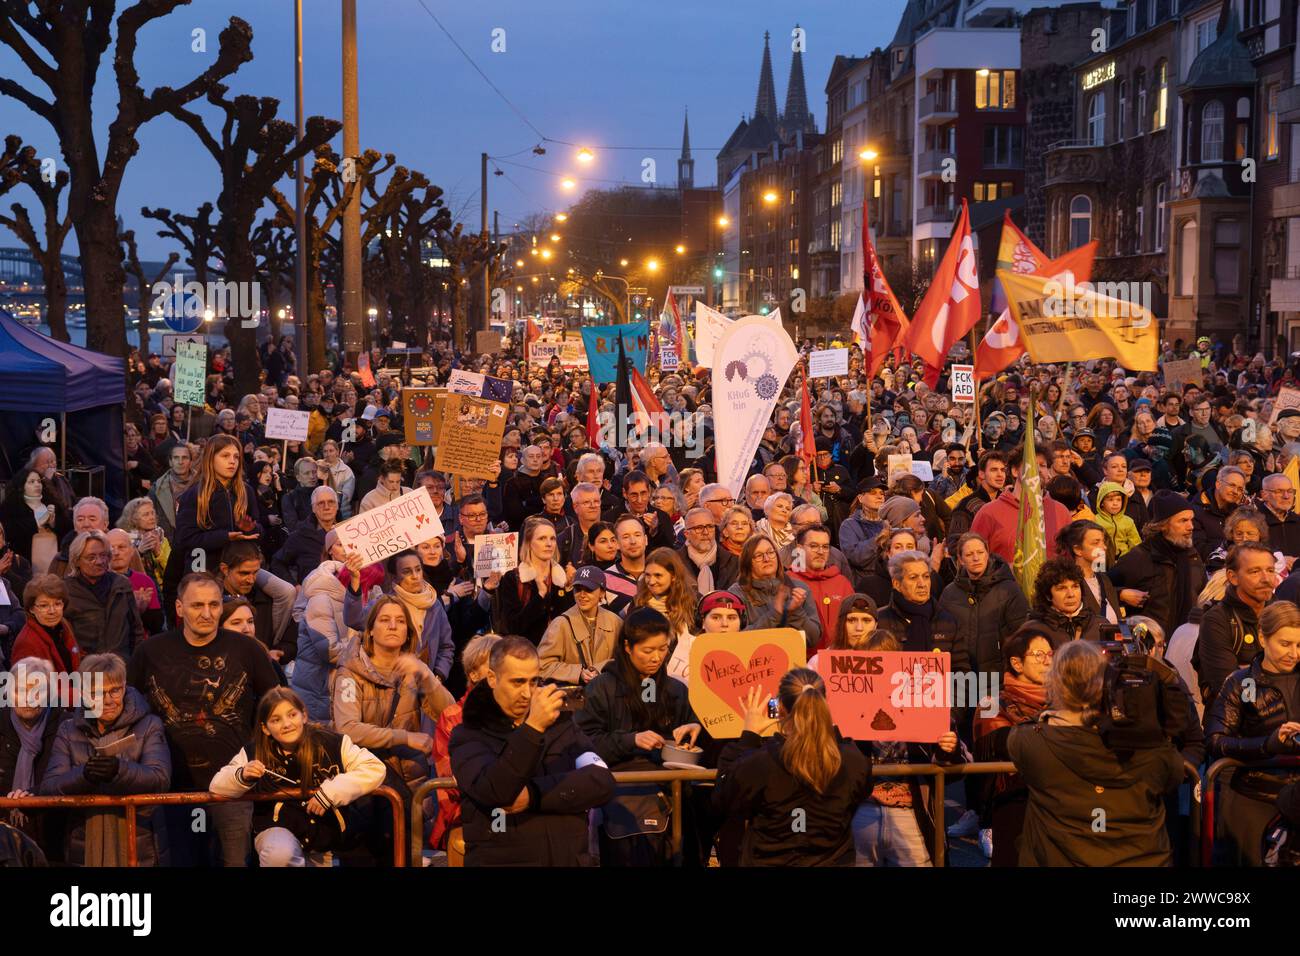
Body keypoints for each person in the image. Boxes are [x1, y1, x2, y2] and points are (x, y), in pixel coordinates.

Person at [129, 572, 280, 866]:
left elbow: (275, 705)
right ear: (179, 608)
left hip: (234, 783)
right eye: (197, 605)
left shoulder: (247, 649)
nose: (207, 613)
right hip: (173, 785)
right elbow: (130, 708)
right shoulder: (150, 651)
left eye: (213, 604)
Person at [1008, 640, 1185, 866]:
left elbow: (1020, 736)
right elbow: (1173, 773)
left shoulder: (1032, 742)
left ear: (1055, 684)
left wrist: (1053, 714)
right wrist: (1166, 682)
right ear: (1109, 683)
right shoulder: (1149, 747)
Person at [449, 636, 616, 867]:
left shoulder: (562, 725)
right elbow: (497, 792)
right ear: (492, 679)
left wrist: (535, 795)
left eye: (534, 681)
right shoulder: (468, 734)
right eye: (517, 682)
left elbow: (601, 780)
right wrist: (533, 728)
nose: (527, 693)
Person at [576, 607, 701, 865]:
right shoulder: (602, 688)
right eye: (648, 651)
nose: (657, 658)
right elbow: (583, 744)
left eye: (663, 649)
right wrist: (630, 740)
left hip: (673, 792)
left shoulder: (675, 689)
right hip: (621, 794)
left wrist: (694, 730)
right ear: (627, 647)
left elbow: (698, 739)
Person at [210, 687, 386, 867]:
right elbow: (217, 785)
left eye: (292, 715)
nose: (286, 724)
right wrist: (242, 775)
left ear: (304, 715)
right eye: (276, 720)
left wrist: (332, 791)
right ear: (265, 728)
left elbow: (374, 768)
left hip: (324, 836)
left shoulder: (333, 743)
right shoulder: (254, 751)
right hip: (276, 829)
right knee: (279, 855)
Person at [713, 671, 871, 866]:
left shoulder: (762, 762)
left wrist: (749, 736)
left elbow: (724, 795)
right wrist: (830, 731)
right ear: (823, 705)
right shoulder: (852, 760)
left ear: (780, 708)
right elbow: (860, 792)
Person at [38, 652, 172, 866]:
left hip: (140, 837)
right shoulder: (68, 728)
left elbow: (160, 778)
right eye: (98, 693)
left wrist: (118, 770)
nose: (108, 700)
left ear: (125, 686)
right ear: (84, 694)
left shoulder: (150, 725)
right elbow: (50, 788)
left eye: (115, 691)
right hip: (84, 837)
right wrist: (85, 775)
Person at [849, 630, 964, 866]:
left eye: (885, 661)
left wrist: (947, 748)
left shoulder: (924, 699)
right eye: (872, 662)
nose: (879, 669)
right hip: (861, 808)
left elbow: (954, 765)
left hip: (910, 810)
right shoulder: (847, 704)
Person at [1205, 600, 1300, 866]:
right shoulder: (1241, 681)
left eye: (1299, 645)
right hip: (1255, 793)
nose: (1293, 653)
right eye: (1285, 644)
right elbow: (1216, 741)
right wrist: (1267, 745)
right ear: (1262, 637)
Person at [332, 595, 455, 791]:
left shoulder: (415, 668)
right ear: (370, 630)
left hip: (412, 777)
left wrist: (427, 676)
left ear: (407, 632)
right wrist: (405, 737)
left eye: (400, 621)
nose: (392, 626)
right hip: (367, 779)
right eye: (384, 620)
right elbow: (347, 728)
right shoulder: (349, 673)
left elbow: (449, 713)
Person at [972, 625, 1053, 866]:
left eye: (1050, 655)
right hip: (1013, 803)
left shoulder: (1063, 700)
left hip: (1056, 803)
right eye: (1038, 655)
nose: (1047, 661)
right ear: (1016, 664)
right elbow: (1006, 745)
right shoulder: (992, 703)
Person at [164, 434, 262, 620]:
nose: (232, 461)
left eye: (236, 457)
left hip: (243, 570)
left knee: (285, 592)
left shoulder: (246, 491)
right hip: (205, 568)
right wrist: (226, 536)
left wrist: (250, 530)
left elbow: (260, 530)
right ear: (211, 458)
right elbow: (185, 539)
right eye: (225, 456)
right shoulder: (195, 495)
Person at [430, 634, 501, 855]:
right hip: (470, 811)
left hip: (513, 810)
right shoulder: (453, 716)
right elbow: (451, 779)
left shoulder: (519, 710)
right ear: (473, 673)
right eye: (491, 662)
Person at [1196, 541, 1277, 711]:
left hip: (1283, 726)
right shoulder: (1217, 620)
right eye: (1255, 571)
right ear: (1232, 577)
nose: (1266, 579)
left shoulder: (1281, 614)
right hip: (1234, 730)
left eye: (1270, 570)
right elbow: (1231, 688)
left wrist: (1250, 671)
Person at [0, 657, 67, 858]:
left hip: (55, 836)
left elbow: (68, 777)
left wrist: (33, 794)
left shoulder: (66, 726)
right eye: (21, 690)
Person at [938, 533, 1029, 680]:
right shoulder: (949, 594)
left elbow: (1021, 636)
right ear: (960, 560)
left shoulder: (1009, 590)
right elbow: (943, 639)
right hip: (960, 679)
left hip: (998, 679)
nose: (976, 558)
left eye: (980, 552)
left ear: (988, 554)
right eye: (969, 554)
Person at [970, 444, 1072, 566]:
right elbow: (973, 559)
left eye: (1043, 465)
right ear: (1014, 471)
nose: (1038, 469)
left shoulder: (1060, 512)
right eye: (1031, 464)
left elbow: (1069, 560)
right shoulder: (989, 512)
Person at [486, 516, 574, 644]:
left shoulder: (562, 578)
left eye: (552, 538)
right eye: (542, 538)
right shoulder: (513, 578)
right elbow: (513, 627)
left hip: (559, 653)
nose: (549, 544)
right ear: (528, 543)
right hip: (525, 653)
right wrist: (540, 596)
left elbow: (569, 623)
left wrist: (569, 589)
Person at [876, 551, 970, 671]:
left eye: (926, 577)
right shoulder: (880, 621)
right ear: (897, 584)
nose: (922, 584)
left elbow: (962, 673)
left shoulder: (948, 621)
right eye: (913, 578)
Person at [62, 531, 145, 661]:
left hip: (122, 667)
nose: (100, 561)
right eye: (91, 557)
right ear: (76, 560)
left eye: (104, 555)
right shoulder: (65, 590)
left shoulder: (121, 584)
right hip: (86, 669)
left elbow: (136, 630)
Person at [728, 535, 821, 648]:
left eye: (771, 552)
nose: (766, 559)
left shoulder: (798, 587)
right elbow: (735, 640)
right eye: (758, 555)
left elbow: (814, 639)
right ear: (747, 562)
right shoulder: (736, 594)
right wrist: (774, 614)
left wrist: (795, 612)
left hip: (794, 660)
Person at [538, 566, 621, 685]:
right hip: (574, 697)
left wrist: (600, 668)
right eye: (577, 589)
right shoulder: (560, 624)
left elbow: (625, 660)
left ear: (602, 592)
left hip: (607, 696)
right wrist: (578, 673)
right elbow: (542, 665)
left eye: (588, 589)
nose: (582, 595)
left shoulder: (615, 622)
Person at [217, 540, 297, 663]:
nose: (251, 580)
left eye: (255, 573)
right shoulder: (212, 604)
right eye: (244, 573)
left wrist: (280, 652)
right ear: (225, 569)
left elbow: (291, 640)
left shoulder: (271, 599)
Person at [787, 524, 856, 650]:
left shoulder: (842, 583)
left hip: (836, 660)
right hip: (800, 659)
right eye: (813, 546)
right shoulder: (787, 582)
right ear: (799, 549)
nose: (820, 552)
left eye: (825, 547)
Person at [0, 466, 70, 573]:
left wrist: (53, 523)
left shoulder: (52, 503)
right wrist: (37, 522)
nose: (37, 484)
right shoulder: (11, 508)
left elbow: (67, 527)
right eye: (31, 482)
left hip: (52, 557)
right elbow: (9, 530)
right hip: (28, 562)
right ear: (22, 486)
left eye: (39, 481)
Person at [1025, 556, 1103, 646]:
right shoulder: (1033, 630)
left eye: (1075, 586)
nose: (1071, 594)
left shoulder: (1099, 625)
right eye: (1062, 588)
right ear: (1048, 595)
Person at [10, 573, 78, 672]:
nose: (52, 611)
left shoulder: (63, 626)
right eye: (44, 605)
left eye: (57, 604)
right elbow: (31, 687)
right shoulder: (26, 643)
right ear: (32, 609)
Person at [272, 486, 339, 585]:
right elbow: (277, 563)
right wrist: (294, 586)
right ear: (313, 508)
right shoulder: (300, 535)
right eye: (321, 503)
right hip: (313, 593)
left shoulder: (350, 530)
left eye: (331, 502)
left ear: (337, 506)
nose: (326, 507)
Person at [104, 529, 163, 636]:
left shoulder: (144, 581)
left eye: (121, 547)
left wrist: (142, 609)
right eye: (111, 548)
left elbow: (157, 626)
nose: (116, 553)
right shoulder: (98, 581)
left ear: (132, 551)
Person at [676, 507, 737, 595]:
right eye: (699, 528)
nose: (705, 532)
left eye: (710, 526)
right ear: (686, 534)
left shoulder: (734, 562)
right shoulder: (674, 562)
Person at [149, 443, 197, 541]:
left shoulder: (203, 485)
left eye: (185, 458)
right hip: (168, 545)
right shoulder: (156, 489)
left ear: (191, 462)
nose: (180, 462)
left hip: (197, 543)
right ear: (170, 462)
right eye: (176, 458)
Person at [1093, 481, 1140, 562]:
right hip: (1101, 561)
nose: (1115, 503)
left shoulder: (1128, 521)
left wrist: (1134, 560)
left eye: (1118, 500)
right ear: (1102, 503)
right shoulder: (1095, 520)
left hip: (1124, 561)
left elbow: (1135, 544)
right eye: (1110, 500)